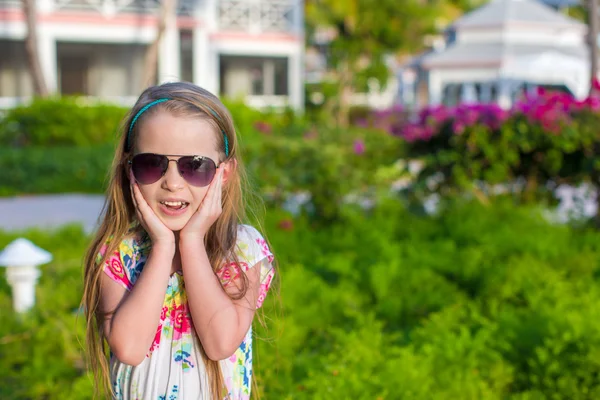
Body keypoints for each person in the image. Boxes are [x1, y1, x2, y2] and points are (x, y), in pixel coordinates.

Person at [82, 82, 276, 400]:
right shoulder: (120, 253)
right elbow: (129, 348)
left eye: (194, 166)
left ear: (223, 175)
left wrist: (193, 240)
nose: (172, 183)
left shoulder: (242, 248)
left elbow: (220, 341)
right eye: (152, 164)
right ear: (129, 169)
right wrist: (162, 247)